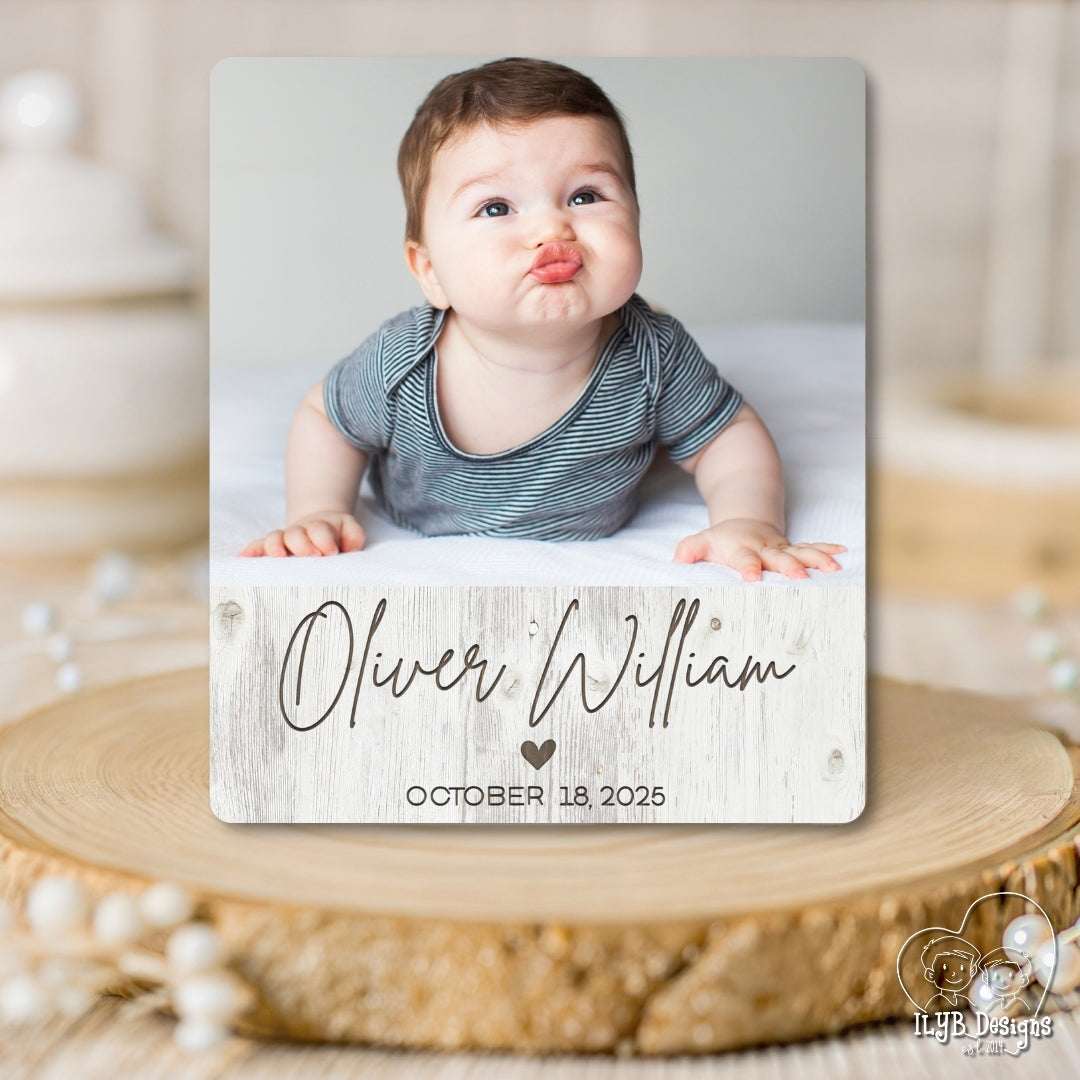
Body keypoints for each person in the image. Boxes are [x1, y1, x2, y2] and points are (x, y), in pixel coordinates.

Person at [241, 57, 845, 582]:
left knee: (688, 411)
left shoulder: (652, 354)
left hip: (602, 501)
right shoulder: (404, 361)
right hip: (418, 519)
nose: (551, 229)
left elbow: (729, 436)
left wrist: (747, 520)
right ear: (430, 271)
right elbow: (326, 418)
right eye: (496, 207)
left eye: (585, 196)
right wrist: (316, 509)